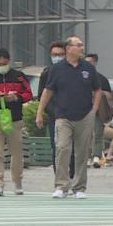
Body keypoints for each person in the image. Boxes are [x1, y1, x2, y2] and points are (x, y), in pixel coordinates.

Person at [36, 36, 100, 199]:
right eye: (78, 45)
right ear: (69, 48)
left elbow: (97, 89)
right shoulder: (57, 69)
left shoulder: (88, 68)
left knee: (81, 152)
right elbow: (48, 91)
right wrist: (40, 112)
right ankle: (61, 185)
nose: (81, 47)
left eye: (81, 45)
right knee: (62, 148)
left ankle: (79, 187)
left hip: (84, 115)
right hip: (62, 116)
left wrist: (94, 109)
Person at [0, 48, 33, 196]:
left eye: (4, 63)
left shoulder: (19, 76)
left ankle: (17, 182)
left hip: (15, 119)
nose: (2, 66)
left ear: (9, 61)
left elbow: (29, 94)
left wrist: (16, 97)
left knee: (16, 153)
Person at [39, 41, 70, 174]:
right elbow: (42, 95)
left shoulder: (73, 71)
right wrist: (48, 112)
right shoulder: (47, 72)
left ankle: (72, 176)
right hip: (55, 117)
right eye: (54, 54)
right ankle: (59, 178)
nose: (57, 57)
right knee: (56, 147)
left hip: (73, 116)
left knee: (71, 149)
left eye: (60, 54)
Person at [85, 53, 113, 168]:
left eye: (90, 62)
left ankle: (96, 157)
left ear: (95, 63)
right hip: (84, 110)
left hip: (98, 110)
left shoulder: (101, 79)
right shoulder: (82, 76)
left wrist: (99, 95)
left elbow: (109, 96)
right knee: (85, 134)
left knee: (98, 133)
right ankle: (86, 157)